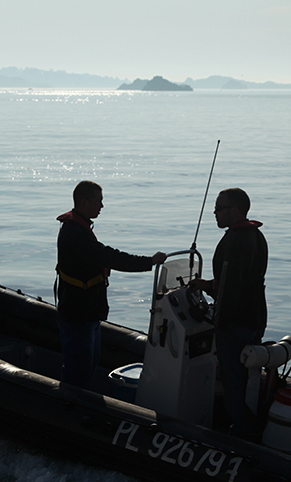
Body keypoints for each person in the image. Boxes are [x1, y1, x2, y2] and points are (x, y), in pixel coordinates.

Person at [55, 180, 166, 388]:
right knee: (78, 366)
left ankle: (80, 398)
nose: (102, 206)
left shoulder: (80, 227)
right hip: (78, 312)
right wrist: (148, 261)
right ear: (84, 202)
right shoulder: (75, 234)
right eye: (99, 201)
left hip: (88, 311)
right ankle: (71, 403)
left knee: (89, 361)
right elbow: (109, 257)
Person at [191, 188, 269, 438]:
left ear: (235, 210)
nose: (215, 213)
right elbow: (239, 280)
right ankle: (251, 427)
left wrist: (219, 321)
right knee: (249, 381)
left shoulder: (234, 241)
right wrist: (206, 285)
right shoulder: (256, 236)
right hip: (255, 320)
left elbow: (230, 287)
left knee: (233, 383)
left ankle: (242, 435)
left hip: (235, 325)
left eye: (219, 208)